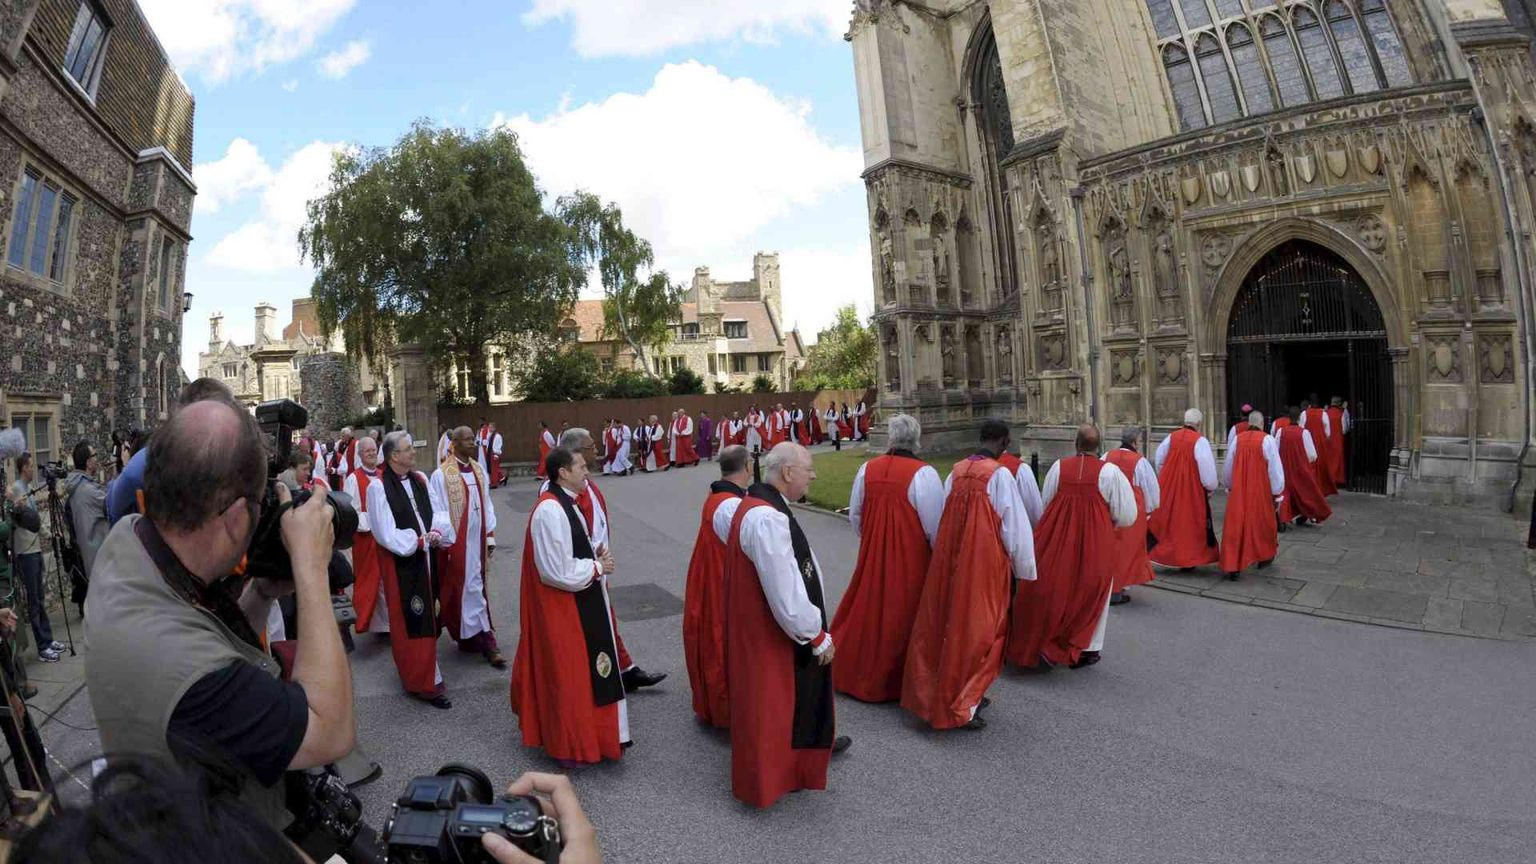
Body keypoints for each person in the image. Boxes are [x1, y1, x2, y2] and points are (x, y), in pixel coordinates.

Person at [84, 398, 354, 827]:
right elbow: (330, 730)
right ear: (233, 518)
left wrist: (262, 594)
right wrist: (311, 567)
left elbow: (206, 634)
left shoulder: (132, 540)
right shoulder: (180, 665)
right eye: (259, 507)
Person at [724, 442, 849, 807]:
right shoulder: (767, 517)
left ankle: (785, 767)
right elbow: (785, 587)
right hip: (773, 631)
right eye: (808, 468)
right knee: (779, 702)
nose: (814, 474)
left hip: (760, 625)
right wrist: (815, 633)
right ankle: (781, 774)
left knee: (775, 703)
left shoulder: (760, 507)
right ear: (788, 473)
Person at [902, 419, 1034, 731]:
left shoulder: (957, 470)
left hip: (952, 559)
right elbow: (1013, 526)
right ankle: (962, 701)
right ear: (1003, 442)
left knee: (949, 625)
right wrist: (1024, 567)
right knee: (983, 632)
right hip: (984, 563)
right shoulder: (999, 475)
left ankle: (948, 692)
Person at [513, 447, 630, 766]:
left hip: (580, 598)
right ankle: (571, 745)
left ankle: (597, 737)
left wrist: (594, 551)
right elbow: (555, 571)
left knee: (585, 674)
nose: (587, 471)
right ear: (563, 472)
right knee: (572, 677)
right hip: (565, 607)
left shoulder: (567, 503)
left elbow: (573, 544)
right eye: (581, 466)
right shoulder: (550, 510)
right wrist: (596, 568)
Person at [544, 428, 666, 692]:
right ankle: (613, 672)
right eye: (590, 447)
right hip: (583, 571)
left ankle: (622, 669)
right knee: (598, 624)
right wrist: (593, 564)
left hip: (596, 567)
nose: (596, 450)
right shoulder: (559, 495)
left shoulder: (582, 481)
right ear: (574, 453)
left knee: (607, 621)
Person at [831, 414, 942, 703]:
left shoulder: (867, 469)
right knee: (905, 613)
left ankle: (860, 669)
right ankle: (900, 679)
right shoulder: (924, 474)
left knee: (869, 608)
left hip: (873, 551)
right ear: (917, 440)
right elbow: (934, 526)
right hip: (911, 557)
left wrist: (872, 539)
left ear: (891, 438)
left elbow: (855, 514)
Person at [1010, 425, 1137, 670]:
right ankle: (1087, 648)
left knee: (1059, 586)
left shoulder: (1059, 467)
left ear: (1076, 444)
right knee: (1094, 589)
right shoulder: (1110, 473)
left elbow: (1047, 501)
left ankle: (1053, 637)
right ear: (1099, 447)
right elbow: (1127, 514)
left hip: (1061, 535)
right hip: (1097, 539)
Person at [370, 431, 451, 708]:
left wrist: (438, 531)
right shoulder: (378, 487)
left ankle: (429, 670)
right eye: (408, 449)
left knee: (429, 614)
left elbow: (438, 511)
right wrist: (415, 542)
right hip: (403, 563)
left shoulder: (419, 479)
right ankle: (422, 681)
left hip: (426, 556)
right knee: (411, 620)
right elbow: (384, 532)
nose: (413, 453)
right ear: (394, 456)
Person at [682, 445, 750, 728]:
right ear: (747, 466)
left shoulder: (716, 497)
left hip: (710, 578)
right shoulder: (731, 505)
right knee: (726, 647)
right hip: (724, 582)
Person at [432, 426, 504, 669]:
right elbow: (439, 510)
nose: (473, 443)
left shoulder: (478, 470)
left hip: (478, 540)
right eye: (468, 439)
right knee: (464, 587)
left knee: (476, 585)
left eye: (474, 438)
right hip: (458, 543)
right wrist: (448, 542)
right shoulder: (442, 475)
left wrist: (490, 536)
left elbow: (488, 504)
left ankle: (483, 636)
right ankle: (475, 636)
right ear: (454, 443)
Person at [1148, 409, 1220, 570]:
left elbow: (1159, 459)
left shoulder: (1171, 437)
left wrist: (1167, 476)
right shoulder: (1200, 442)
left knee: (1170, 522)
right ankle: (1187, 560)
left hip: (1169, 485)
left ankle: (1167, 555)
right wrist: (1210, 487)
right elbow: (1207, 472)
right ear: (1199, 424)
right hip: (1191, 489)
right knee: (1189, 523)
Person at [1221, 411, 1286, 581]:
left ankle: (1233, 563)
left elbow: (1228, 466)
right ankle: (1263, 555)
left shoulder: (1237, 440)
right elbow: (1274, 470)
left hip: (1240, 491)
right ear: (1262, 424)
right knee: (1263, 522)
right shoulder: (1267, 441)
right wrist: (1277, 492)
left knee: (1236, 525)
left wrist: (1229, 485)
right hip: (1260, 490)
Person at [8, 454, 58, 662]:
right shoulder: (17, 490)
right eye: (30, 466)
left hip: (35, 549)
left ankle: (48, 638)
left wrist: (50, 534)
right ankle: (42, 647)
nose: (32, 469)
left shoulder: (27, 489)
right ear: (23, 468)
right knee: (34, 600)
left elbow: (36, 520)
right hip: (25, 553)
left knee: (40, 597)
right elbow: (23, 520)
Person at [1104, 426, 1160, 605]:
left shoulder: (1106, 456)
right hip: (1132, 514)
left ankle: (1108, 588)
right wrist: (1149, 512)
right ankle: (1118, 589)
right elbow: (1151, 490)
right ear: (1135, 443)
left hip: (1109, 511)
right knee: (1127, 553)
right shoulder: (1140, 462)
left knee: (1109, 551)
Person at [342, 436, 388, 635]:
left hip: (384, 536)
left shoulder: (383, 475)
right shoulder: (353, 478)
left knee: (385, 581)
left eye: (373, 450)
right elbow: (351, 511)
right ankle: (374, 623)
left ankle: (386, 624)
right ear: (360, 455)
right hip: (365, 537)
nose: (370, 453)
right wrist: (372, 521)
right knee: (370, 582)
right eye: (366, 451)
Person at [1275, 406, 1332, 527]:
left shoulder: (1281, 432)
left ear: (1289, 417)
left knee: (1285, 493)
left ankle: (1283, 517)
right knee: (1306, 493)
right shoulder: (1304, 433)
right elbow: (1312, 455)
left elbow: (1276, 450)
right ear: (1300, 417)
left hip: (1285, 470)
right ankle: (1305, 515)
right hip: (1300, 470)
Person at [61, 440, 110, 581]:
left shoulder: (78, 487)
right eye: (95, 455)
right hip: (100, 564)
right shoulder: (88, 491)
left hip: (92, 562)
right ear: (88, 462)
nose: (97, 459)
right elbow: (115, 503)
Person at [995, 444, 1045, 527]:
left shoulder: (968, 467)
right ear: (1006, 440)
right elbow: (1034, 510)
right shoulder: (1020, 469)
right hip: (1011, 532)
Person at [1300, 397, 1338, 497]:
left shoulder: (1304, 414)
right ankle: (1320, 488)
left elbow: (1301, 428)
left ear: (1309, 405)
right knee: (1321, 465)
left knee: (1308, 466)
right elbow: (1328, 432)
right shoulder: (1323, 414)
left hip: (1308, 442)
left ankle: (1310, 489)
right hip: (1320, 443)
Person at [1326, 396, 1349, 488]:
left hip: (1327, 441)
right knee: (1337, 461)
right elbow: (1344, 429)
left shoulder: (1325, 413)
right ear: (1339, 403)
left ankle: (1329, 480)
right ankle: (1337, 481)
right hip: (1338, 440)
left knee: (1328, 461)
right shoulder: (1342, 413)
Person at [486, 422, 506, 488]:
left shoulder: (497, 436)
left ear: (494, 428)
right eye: (489, 427)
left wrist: (496, 455)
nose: (489, 429)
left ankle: (494, 484)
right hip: (490, 454)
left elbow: (498, 446)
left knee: (494, 469)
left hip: (494, 454)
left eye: (491, 427)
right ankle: (502, 477)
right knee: (491, 469)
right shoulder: (490, 435)